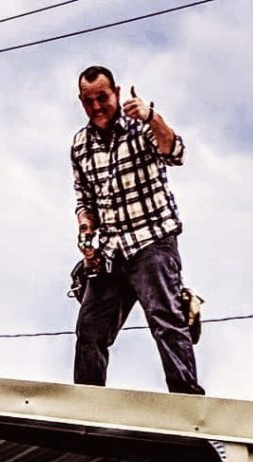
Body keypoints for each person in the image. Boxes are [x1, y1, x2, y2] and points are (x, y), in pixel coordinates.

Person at [71, 65, 204, 394]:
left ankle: (187, 400)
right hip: (112, 249)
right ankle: (86, 404)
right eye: (89, 101)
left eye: (102, 98)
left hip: (152, 240)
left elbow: (176, 152)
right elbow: (85, 202)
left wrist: (151, 117)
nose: (97, 107)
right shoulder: (80, 145)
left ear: (115, 92)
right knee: (90, 328)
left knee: (163, 319)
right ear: (81, 101)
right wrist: (86, 234)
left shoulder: (140, 126)